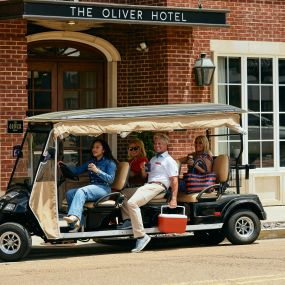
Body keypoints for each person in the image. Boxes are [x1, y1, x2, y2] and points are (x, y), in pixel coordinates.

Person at [118, 133, 179, 253]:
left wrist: (174, 198)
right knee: (122, 194)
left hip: (158, 187)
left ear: (166, 145)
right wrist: (142, 169)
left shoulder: (169, 160)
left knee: (132, 203)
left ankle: (141, 236)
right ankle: (128, 220)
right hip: (148, 185)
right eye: (155, 143)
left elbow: (174, 180)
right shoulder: (153, 158)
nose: (157, 145)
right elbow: (145, 176)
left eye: (159, 143)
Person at [63, 139, 117, 232]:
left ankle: (74, 216)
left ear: (103, 150)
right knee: (70, 193)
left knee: (81, 191)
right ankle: (77, 225)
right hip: (92, 188)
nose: (94, 149)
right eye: (93, 147)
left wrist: (97, 171)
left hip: (104, 189)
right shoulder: (91, 162)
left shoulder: (110, 163)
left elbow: (111, 180)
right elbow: (76, 171)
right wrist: (63, 166)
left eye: (97, 147)